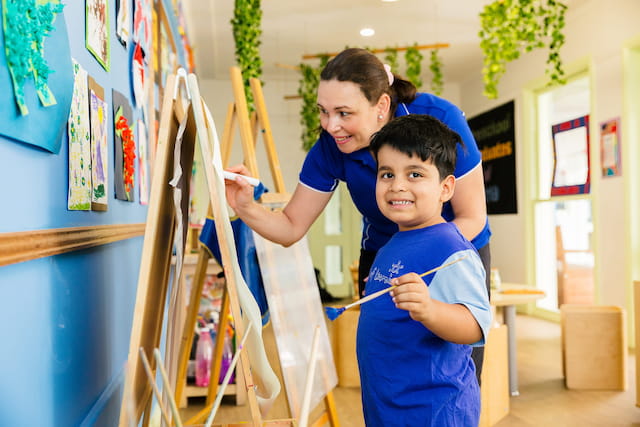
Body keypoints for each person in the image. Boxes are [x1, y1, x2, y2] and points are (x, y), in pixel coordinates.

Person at [224, 47, 491, 380]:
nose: (331, 125)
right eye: (323, 111)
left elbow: (471, 216)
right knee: (385, 363)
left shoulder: (439, 118)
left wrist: (412, 264)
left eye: (344, 113)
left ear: (381, 106)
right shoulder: (331, 147)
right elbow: (290, 227)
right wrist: (245, 205)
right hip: (384, 255)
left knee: (449, 368)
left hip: (452, 252)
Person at [357, 114, 491, 425]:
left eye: (415, 174)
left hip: (432, 411)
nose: (397, 186)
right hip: (391, 404)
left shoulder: (450, 248)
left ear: (446, 189)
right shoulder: (393, 242)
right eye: (386, 174)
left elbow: (475, 325)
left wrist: (429, 308)